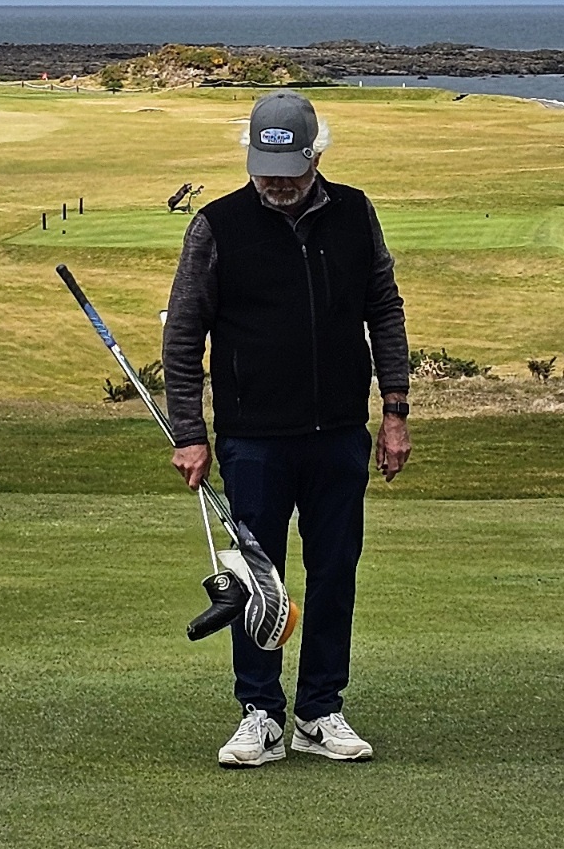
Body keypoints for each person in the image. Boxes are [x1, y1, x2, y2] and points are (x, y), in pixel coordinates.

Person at [161, 90, 408, 767]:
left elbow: (384, 310)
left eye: (290, 171)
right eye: (265, 170)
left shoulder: (355, 213)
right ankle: (260, 713)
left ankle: (319, 711)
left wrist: (395, 411)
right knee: (256, 581)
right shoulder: (216, 225)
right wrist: (189, 431)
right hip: (252, 439)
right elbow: (183, 336)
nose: (276, 183)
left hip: (339, 433)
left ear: (315, 157)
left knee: (334, 574)